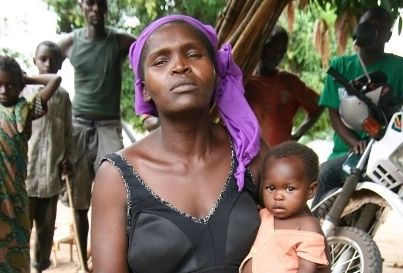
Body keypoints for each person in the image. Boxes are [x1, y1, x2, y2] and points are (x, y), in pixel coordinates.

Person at [90, 14, 270, 273]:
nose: (180, 66)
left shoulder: (249, 154)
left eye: (194, 55)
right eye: (161, 61)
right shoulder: (116, 178)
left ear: (217, 75)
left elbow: (304, 240)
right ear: (145, 90)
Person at [57, 0, 136, 270]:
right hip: (78, 126)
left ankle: (111, 262)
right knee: (79, 202)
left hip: (108, 126)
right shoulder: (69, 43)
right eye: (90, 3)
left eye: (101, 4)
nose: (96, 9)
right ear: (81, 5)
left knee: (116, 194)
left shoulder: (120, 41)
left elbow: (148, 50)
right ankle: (82, 262)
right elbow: (45, 62)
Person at [311, 7, 403, 208]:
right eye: (369, 26)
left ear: (388, 36)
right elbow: (334, 115)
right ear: (359, 29)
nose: (374, 32)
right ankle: (312, 234)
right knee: (324, 175)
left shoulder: (399, 67)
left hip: (384, 154)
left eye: (381, 29)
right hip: (346, 152)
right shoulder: (340, 66)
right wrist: (354, 142)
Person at [0, 55, 61, 273]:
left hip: (14, 196)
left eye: (11, 85)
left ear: (20, 87)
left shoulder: (24, 110)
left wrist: (28, 78)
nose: (4, 90)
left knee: (16, 247)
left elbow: (54, 80)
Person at [21, 40, 73, 273]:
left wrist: (67, 158)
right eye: (43, 59)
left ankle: (39, 268)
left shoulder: (62, 96)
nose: (48, 63)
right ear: (34, 62)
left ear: (61, 64)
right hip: (25, 177)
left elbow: (67, 133)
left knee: (46, 230)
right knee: (22, 229)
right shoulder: (22, 92)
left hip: (51, 176)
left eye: (53, 60)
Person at [239, 141, 329, 273]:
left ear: (311, 190)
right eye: (271, 188)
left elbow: (307, 269)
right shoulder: (264, 215)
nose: (278, 196)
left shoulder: (307, 226)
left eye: (290, 189)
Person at [244, 25, 324, 147]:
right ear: (262, 46)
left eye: (282, 51)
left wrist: (296, 136)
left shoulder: (289, 82)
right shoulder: (243, 80)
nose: (277, 55)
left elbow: (318, 105)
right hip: (243, 157)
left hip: (275, 158)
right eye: (272, 47)